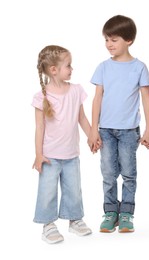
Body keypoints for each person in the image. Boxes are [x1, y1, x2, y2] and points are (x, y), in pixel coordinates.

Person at [88, 15, 149, 233]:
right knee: (108, 173)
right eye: (106, 40)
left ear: (129, 40)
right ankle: (110, 212)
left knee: (128, 173)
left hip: (129, 131)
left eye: (114, 40)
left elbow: (146, 99)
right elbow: (97, 98)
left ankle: (126, 213)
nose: (109, 44)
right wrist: (92, 130)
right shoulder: (103, 67)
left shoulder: (140, 67)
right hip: (105, 130)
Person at [32, 45, 92, 244]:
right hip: (50, 156)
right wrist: (38, 155)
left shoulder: (75, 91)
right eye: (68, 65)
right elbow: (39, 128)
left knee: (74, 190)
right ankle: (48, 224)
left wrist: (92, 135)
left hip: (71, 154)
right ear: (53, 70)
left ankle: (75, 219)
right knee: (47, 191)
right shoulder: (42, 97)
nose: (72, 69)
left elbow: (81, 118)